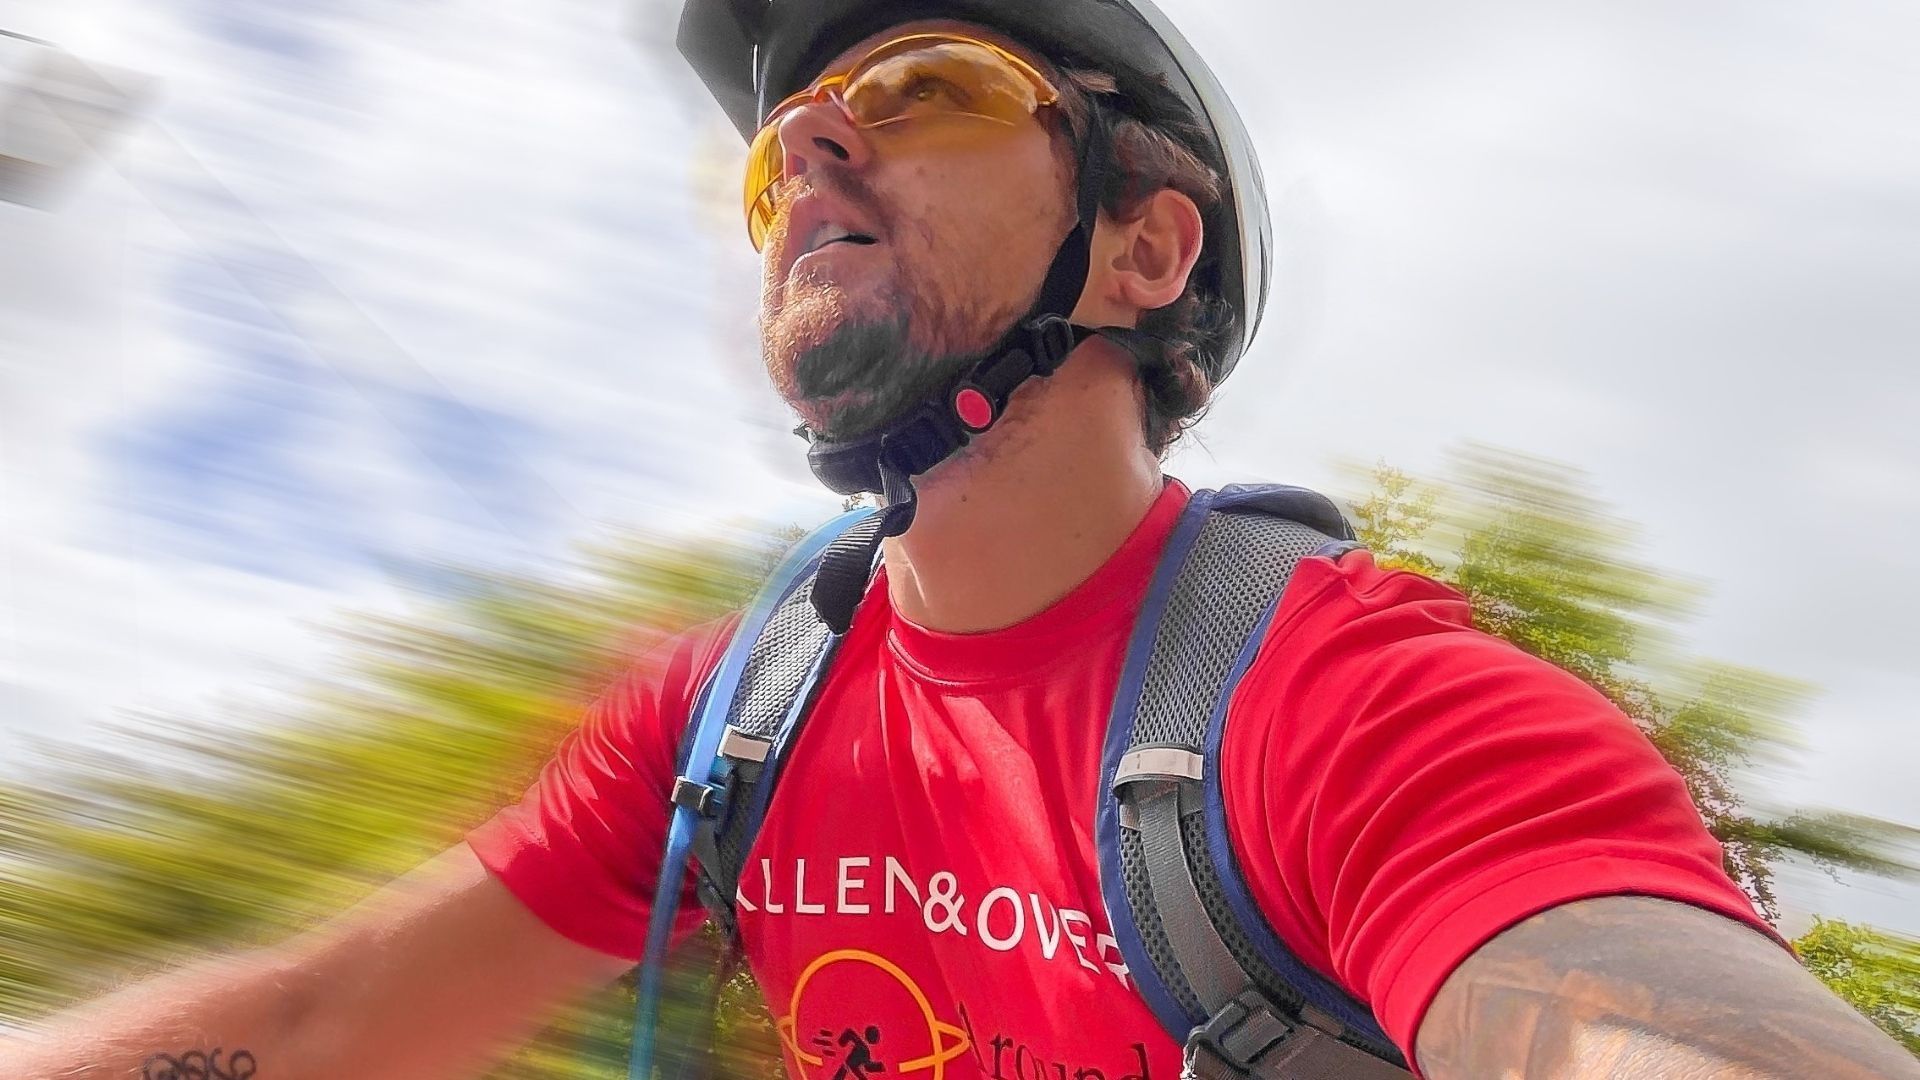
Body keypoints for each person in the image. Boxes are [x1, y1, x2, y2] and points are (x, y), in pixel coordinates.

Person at [3, 1, 1916, 1077]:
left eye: (920, 89)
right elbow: (321, 1024)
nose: (813, 152)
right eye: (783, 144)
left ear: (1148, 250)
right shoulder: (730, 716)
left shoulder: (1361, 706)